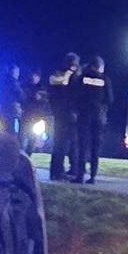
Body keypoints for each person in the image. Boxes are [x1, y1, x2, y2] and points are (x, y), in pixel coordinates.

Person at [73, 55, 113, 184]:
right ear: (100, 67)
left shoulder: (83, 78)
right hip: (98, 116)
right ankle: (93, 176)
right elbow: (110, 99)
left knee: (82, 146)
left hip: (84, 115)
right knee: (95, 147)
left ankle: (80, 175)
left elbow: (76, 95)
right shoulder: (105, 79)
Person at [47, 53, 81, 181]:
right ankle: (60, 171)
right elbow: (74, 94)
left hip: (59, 113)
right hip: (67, 114)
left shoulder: (56, 74)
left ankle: (60, 170)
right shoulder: (70, 75)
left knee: (63, 143)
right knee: (64, 143)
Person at [20, 70, 48, 153]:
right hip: (27, 114)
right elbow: (23, 99)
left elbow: (45, 101)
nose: (33, 78)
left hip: (37, 116)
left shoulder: (42, 88)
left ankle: (29, 154)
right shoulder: (25, 87)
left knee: (33, 137)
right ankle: (21, 153)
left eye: (35, 76)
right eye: (32, 76)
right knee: (22, 135)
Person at [0, 64, 25, 137]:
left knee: (5, 130)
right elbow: (21, 96)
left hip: (4, 110)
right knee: (14, 132)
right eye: (17, 72)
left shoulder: (3, 82)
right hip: (14, 111)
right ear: (13, 72)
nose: (18, 74)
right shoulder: (14, 83)